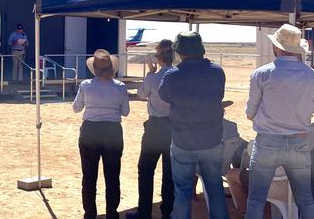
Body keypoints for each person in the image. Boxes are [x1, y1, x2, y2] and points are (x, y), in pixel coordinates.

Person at [245, 24, 314, 219]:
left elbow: (250, 113)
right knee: (306, 200)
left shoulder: (262, 74)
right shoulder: (311, 75)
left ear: (276, 47)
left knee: (256, 200)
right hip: (299, 141)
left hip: (267, 142)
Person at [159, 31, 229, 219]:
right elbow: (219, 96)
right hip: (212, 139)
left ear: (180, 52)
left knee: (182, 191)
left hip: (183, 140)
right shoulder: (216, 71)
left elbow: (163, 96)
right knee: (215, 188)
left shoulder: (173, 75)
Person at [72, 49, 129, 219]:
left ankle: (90, 214)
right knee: (112, 176)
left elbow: (76, 108)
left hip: (91, 130)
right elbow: (125, 112)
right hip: (112, 131)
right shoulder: (120, 87)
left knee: (89, 176)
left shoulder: (86, 85)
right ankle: (112, 213)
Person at [127, 39, 174, 219]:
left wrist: (150, 74)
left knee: (146, 169)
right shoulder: (177, 75)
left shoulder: (153, 78)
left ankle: (144, 211)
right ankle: (167, 211)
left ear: (158, 58)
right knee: (169, 172)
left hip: (155, 127)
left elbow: (141, 94)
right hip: (173, 127)